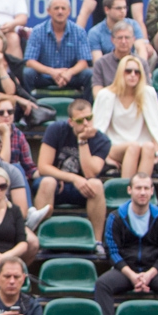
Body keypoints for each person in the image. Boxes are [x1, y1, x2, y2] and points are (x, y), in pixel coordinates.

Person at [94, 172, 158, 315]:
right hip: (125, 271)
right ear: (129, 190)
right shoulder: (116, 217)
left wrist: (149, 274)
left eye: (146, 188)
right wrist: (132, 275)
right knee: (102, 285)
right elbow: (112, 251)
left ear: (152, 191)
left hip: (154, 271)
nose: (143, 192)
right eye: (138, 188)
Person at [33, 98, 110, 240]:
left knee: (97, 185)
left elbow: (90, 173)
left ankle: (97, 241)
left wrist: (83, 141)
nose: (86, 123)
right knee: (48, 182)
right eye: (80, 120)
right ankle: (39, 237)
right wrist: (73, 178)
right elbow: (43, 166)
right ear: (71, 121)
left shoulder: (102, 140)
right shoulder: (56, 130)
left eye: (89, 118)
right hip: (56, 185)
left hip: (83, 189)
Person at [93, 57, 158, 180]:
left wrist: (157, 151)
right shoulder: (105, 95)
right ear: (121, 72)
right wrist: (104, 156)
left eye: (137, 72)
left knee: (148, 147)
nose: (133, 75)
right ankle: (125, 192)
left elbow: (156, 126)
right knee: (133, 147)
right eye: (128, 71)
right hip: (114, 146)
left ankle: (141, 190)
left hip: (142, 145)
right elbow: (97, 129)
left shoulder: (148, 93)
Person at [23, 0, 90, 95]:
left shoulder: (79, 31)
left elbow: (84, 62)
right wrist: (52, 72)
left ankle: (85, 108)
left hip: (70, 76)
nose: (60, 11)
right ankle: (29, 107)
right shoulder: (37, 31)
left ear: (69, 11)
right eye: (56, 8)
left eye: (63, 8)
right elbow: (30, 61)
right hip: (45, 76)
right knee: (27, 73)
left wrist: (69, 73)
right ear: (48, 11)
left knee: (89, 74)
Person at [85, 0, 153, 65]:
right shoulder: (95, 32)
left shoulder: (133, 25)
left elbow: (141, 48)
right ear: (107, 10)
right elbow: (98, 61)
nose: (123, 11)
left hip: (131, 67)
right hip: (108, 69)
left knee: (151, 52)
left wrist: (141, 68)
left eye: (124, 8)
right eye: (118, 8)